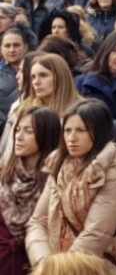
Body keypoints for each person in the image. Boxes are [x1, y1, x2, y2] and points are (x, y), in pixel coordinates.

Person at [26, 100, 116, 273]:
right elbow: (37, 221)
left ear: (99, 132)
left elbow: (96, 234)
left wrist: (60, 270)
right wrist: (45, 264)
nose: (71, 138)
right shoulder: (59, 165)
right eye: (67, 130)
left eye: (81, 130)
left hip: (94, 267)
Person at [0, 107, 61, 275]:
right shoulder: (3, 170)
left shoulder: (56, 179)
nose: (18, 136)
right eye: (17, 130)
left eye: (28, 131)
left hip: (35, 263)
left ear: (45, 134)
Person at [0, 54, 82, 157]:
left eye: (43, 75)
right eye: (33, 77)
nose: (36, 82)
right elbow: (10, 153)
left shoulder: (80, 113)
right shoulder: (24, 109)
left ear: (60, 76)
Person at [0, 28, 29, 133]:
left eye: (16, 45)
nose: (12, 50)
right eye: (7, 46)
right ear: (1, 49)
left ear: (25, 48)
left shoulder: (36, 72)